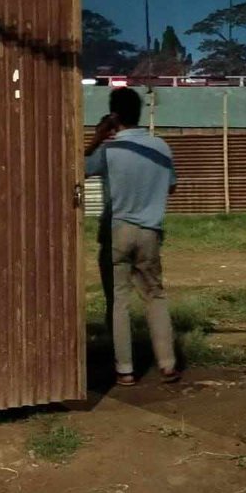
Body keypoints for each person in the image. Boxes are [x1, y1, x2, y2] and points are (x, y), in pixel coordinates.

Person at [85, 87, 180, 387]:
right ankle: (167, 364)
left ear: (114, 116)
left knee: (119, 301)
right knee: (155, 296)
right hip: (151, 231)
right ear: (139, 112)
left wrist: (97, 137)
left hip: (117, 230)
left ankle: (125, 370)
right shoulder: (161, 147)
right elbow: (171, 186)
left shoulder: (109, 150)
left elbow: (77, 169)